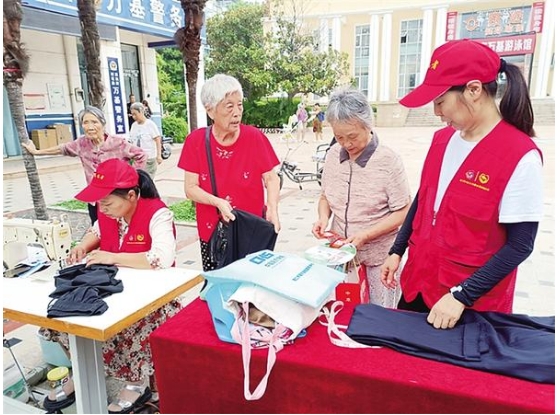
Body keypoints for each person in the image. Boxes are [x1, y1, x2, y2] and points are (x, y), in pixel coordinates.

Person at [380, 39, 543, 330]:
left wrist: (462, 294)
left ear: (473, 90)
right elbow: (424, 199)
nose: (436, 112)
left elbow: (520, 245)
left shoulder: (520, 155)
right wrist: (397, 249)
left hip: (469, 306)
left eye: (440, 101)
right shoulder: (441, 140)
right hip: (419, 284)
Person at [41, 158, 177, 413]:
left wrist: (111, 257)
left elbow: (162, 258)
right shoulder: (108, 214)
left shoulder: (158, 214)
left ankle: (137, 383)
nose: (102, 209)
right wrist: (82, 246)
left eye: (107, 203)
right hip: (114, 290)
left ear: (131, 195)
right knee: (58, 320)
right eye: (99, 204)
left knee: (132, 325)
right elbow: (97, 232)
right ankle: (82, 370)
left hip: (152, 298)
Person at [311, 88, 411, 307]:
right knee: (342, 311)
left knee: (379, 315)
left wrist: (366, 235)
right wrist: (322, 218)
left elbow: (404, 211)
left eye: (352, 136)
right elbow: (326, 196)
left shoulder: (388, 160)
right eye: (339, 137)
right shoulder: (332, 155)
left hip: (379, 259)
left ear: (368, 125)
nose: (346, 144)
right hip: (341, 256)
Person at [178, 73, 281, 271]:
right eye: (229, 106)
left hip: (252, 229)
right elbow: (190, 188)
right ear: (210, 110)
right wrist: (218, 202)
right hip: (214, 231)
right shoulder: (195, 141)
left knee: (252, 282)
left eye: (239, 105)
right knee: (220, 282)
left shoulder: (254, 137)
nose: (237, 112)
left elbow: (271, 178)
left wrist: (273, 209)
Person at [22, 106, 146, 225]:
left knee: (121, 231)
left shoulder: (117, 143)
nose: (90, 127)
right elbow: (62, 148)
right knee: (97, 231)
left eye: (94, 122)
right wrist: (37, 152)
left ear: (103, 124)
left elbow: (141, 155)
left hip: (116, 199)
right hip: (95, 200)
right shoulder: (81, 144)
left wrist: (130, 179)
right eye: (85, 122)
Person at [129, 102, 163, 179]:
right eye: (132, 114)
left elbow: (158, 140)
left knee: (147, 180)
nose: (134, 117)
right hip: (137, 159)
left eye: (135, 114)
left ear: (141, 111)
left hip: (149, 158)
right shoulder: (134, 125)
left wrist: (159, 155)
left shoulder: (150, 124)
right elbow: (131, 141)